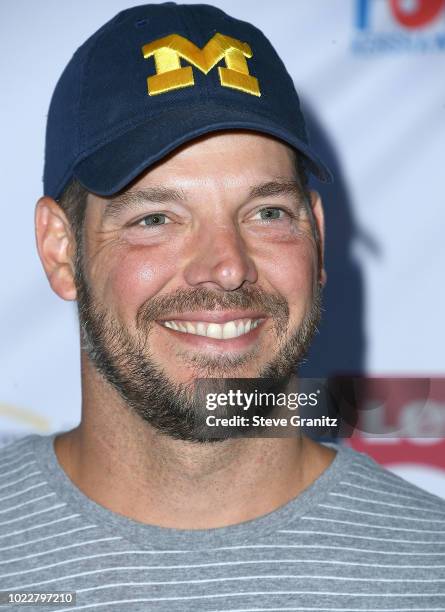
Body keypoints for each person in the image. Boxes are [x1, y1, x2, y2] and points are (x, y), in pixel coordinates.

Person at [1, 3, 444, 610]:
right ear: (60, 250)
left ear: (315, 234)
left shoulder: (429, 572)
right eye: (156, 219)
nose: (228, 266)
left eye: (267, 213)